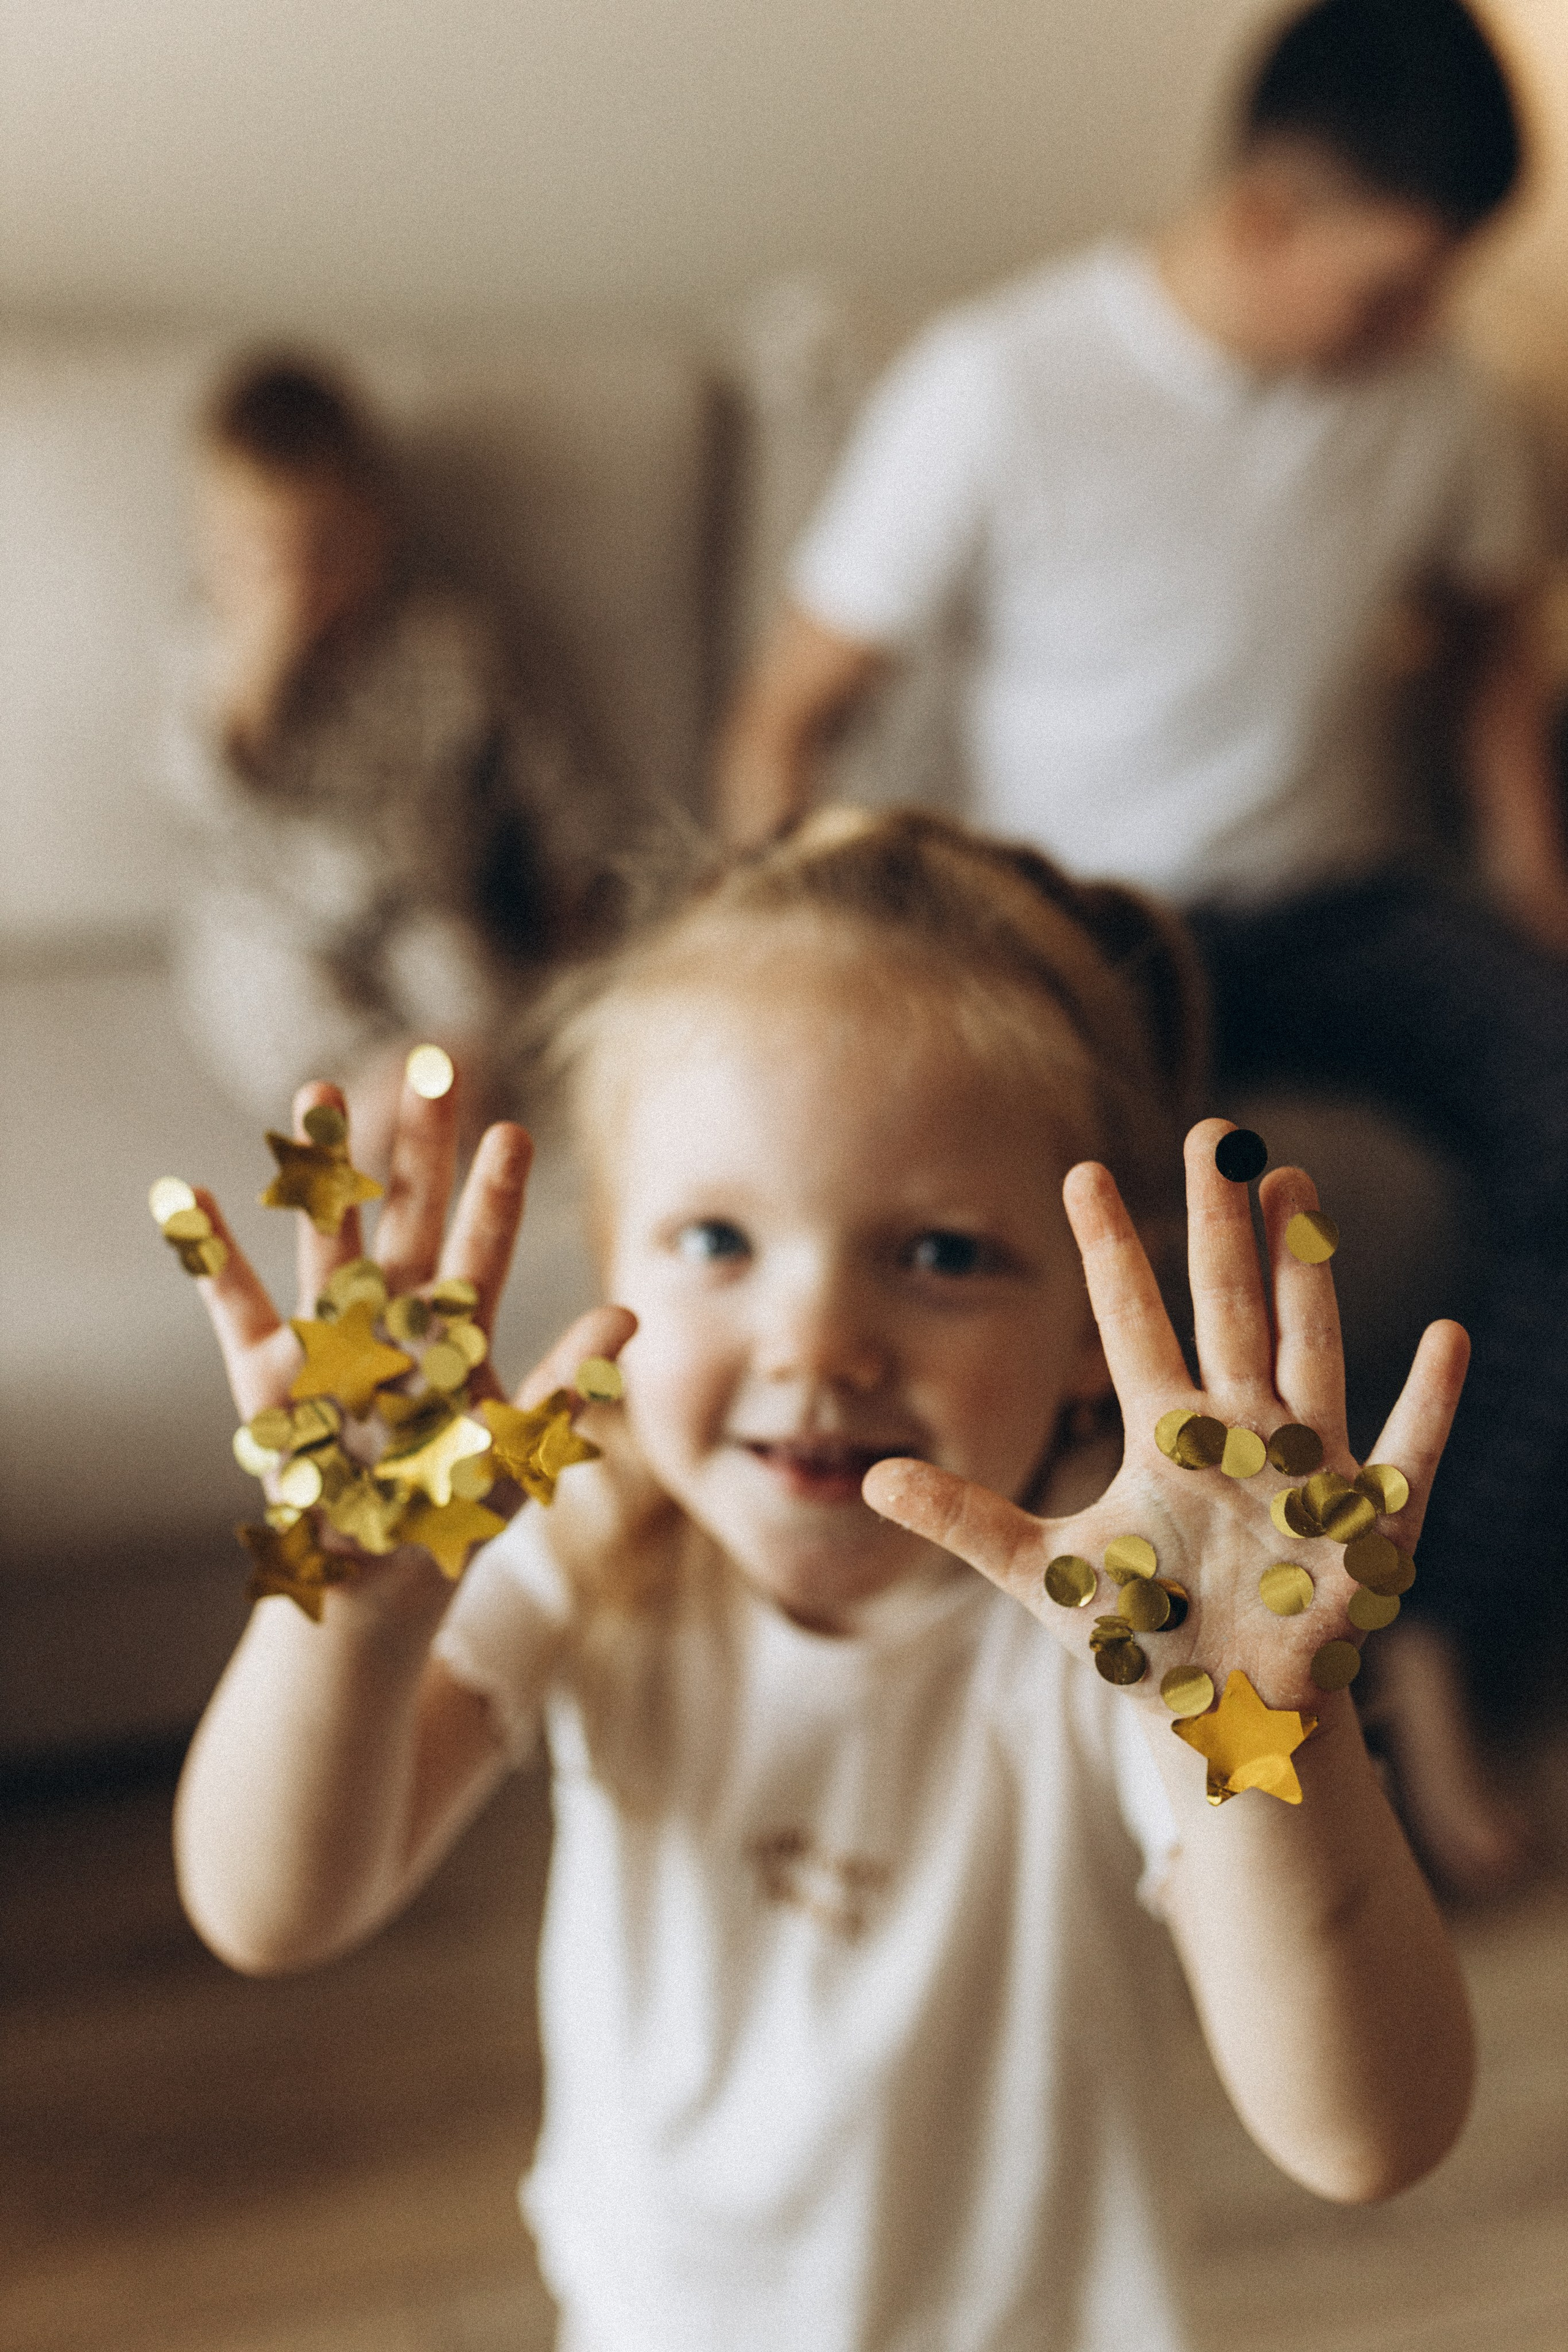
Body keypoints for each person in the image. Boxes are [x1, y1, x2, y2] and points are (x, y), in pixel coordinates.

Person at [173, 809, 1473, 2352]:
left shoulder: (1127, 1639)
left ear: (1089, 1331)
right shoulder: (589, 1541)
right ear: (612, 1268)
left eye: (934, 1255)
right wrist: (353, 1613)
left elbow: (1365, 2133)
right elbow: (273, 1905)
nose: (813, 1345)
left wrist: (1266, 1730)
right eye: (718, 1238)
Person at [718, 0, 1562, 1892]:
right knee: (1061, 1243)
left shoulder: (1444, 396)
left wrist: (1534, 887)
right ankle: (1085, 1713)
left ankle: (1425, 1655)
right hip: (1099, 918)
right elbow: (790, 710)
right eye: (1392, 284)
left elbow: (1503, 659)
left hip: (1354, 898)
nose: (1420, 322)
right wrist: (794, 973)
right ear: (1268, 214)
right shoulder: (1002, 382)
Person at [163, 352, 616, 1168]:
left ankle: (430, 1091)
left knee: (473, 995)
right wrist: (257, 671)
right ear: (210, 548)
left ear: (378, 525)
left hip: (418, 899)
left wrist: (573, 876)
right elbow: (200, 786)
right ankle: (347, 1104)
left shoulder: (448, 643)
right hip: (273, 908)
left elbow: (544, 764)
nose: (298, 584)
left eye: (324, 550)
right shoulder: (211, 653)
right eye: (255, 556)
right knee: (256, 990)